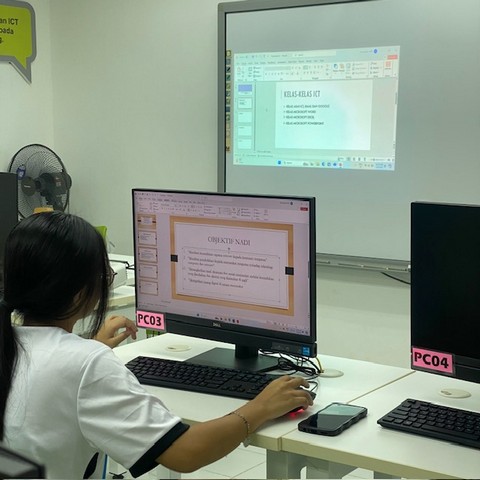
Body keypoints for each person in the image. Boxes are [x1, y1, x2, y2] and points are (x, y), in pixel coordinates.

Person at [0, 211, 313, 479]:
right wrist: (260, 407)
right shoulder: (85, 363)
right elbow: (184, 453)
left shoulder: (12, 344)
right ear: (81, 293)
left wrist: (86, 348)